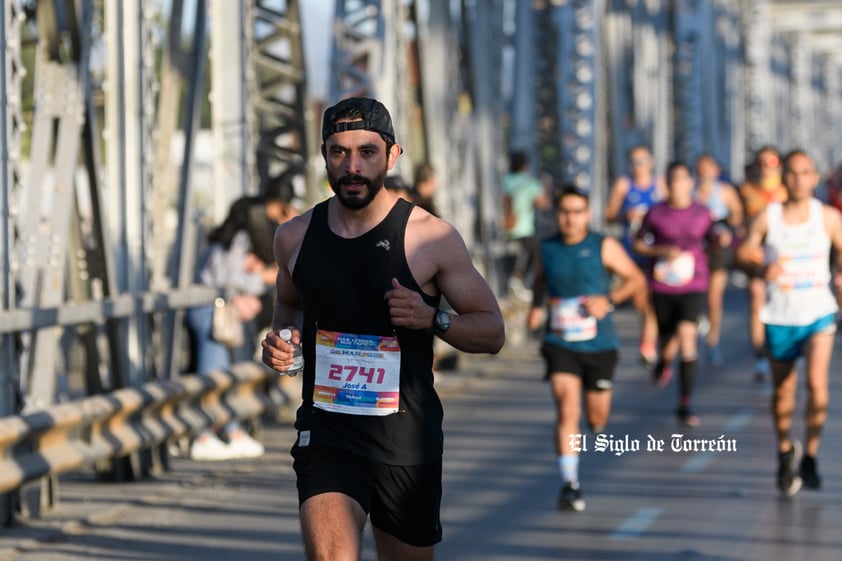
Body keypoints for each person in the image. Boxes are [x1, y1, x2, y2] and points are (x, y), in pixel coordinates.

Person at [260, 96, 505, 561]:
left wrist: (433, 318)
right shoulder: (293, 236)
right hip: (327, 429)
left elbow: (492, 331)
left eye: (367, 152)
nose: (352, 166)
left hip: (405, 438)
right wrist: (284, 342)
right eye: (339, 152)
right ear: (324, 154)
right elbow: (287, 306)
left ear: (392, 156)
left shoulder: (430, 237)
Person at [527, 185, 646, 512]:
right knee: (567, 408)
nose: (570, 219)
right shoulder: (546, 247)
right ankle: (570, 483)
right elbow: (540, 280)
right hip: (559, 341)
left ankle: (594, 428)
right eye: (564, 212)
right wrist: (537, 306)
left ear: (588, 215)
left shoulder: (603, 245)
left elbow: (636, 279)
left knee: (596, 418)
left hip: (599, 344)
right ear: (556, 215)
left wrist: (609, 300)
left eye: (578, 212)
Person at [736, 150, 842, 497]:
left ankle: (810, 455)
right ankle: (785, 449)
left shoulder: (827, 217)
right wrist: (760, 268)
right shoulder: (769, 217)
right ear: (783, 178)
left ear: (815, 178)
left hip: (818, 312)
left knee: (816, 383)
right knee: (783, 392)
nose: (799, 179)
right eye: (792, 173)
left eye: (806, 172)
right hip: (780, 314)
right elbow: (744, 252)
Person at [633, 161, 731, 427]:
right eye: (672, 180)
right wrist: (661, 252)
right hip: (663, 285)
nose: (678, 185)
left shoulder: (703, 213)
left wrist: (720, 243)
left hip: (694, 284)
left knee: (688, 336)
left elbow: (713, 241)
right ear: (667, 183)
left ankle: (685, 403)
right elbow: (638, 243)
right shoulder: (655, 213)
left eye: (682, 179)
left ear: (690, 183)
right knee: (669, 337)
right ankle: (664, 358)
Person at [185, 196, 272, 461]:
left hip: (206, 309)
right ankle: (204, 434)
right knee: (213, 376)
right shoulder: (238, 240)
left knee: (220, 375)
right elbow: (229, 280)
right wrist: (262, 277)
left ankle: (229, 430)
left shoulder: (222, 239)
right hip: (213, 311)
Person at [605, 144, 664, 365]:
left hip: (655, 251)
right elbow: (609, 215)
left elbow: (672, 209)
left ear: (652, 162)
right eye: (634, 161)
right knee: (641, 299)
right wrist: (624, 215)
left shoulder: (660, 185)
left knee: (654, 299)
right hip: (631, 251)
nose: (638, 166)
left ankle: (651, 341)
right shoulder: (624, 185)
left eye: (642, 161)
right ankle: (648, 341)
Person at [738, 145, 787, 382]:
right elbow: (739, 220)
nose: (767, 168)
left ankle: (784, 349)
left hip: (785, 256)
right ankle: (759, 355)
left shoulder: (788, 190)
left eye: (772, 162)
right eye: (762, 163)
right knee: (756, 299)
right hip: (758, 256)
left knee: (784, 301)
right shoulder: (747, 191)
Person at [693, 154, 744, 366]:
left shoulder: (724, 191)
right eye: (701, 167)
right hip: (696, 249)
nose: (705, 172)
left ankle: (713, 341)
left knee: (714, 298)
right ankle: (696, 326)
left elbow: (737, 214)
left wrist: (728, 227)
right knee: (695, 297)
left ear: (716, 170)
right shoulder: (690, 191)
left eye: (708, 168)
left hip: (717, 250)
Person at [501, 150, 550, 301]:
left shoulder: (505, 180)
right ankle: (520, 280)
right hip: (523, 229)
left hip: (505, 229)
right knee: (535, 252)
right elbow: (544, 204)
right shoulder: (530, 183)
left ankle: (509, 284)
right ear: (525, 166)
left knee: (510, 260)